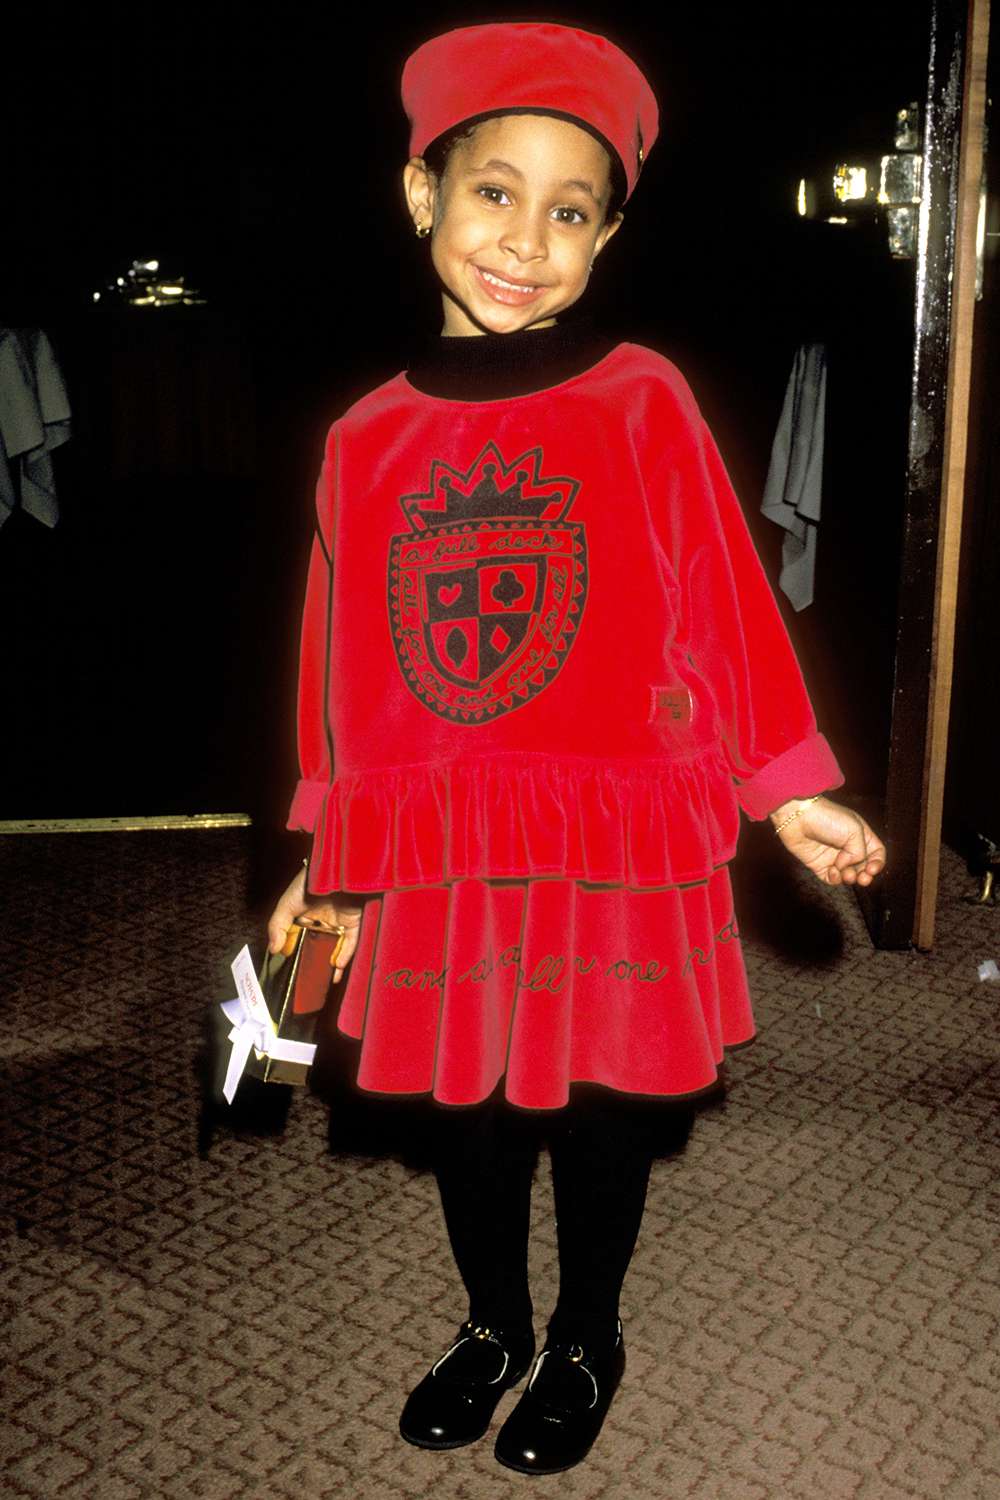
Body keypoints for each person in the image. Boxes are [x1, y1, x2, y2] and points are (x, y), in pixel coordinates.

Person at [266, 20, 886, 1476]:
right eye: (495, 192)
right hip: (436, 833)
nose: (526, 239)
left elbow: (725, 601)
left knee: (604, 1102)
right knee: (464, 1108)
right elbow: (336, 658)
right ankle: (493, 1322)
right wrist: (325, 852)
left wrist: (784, 787)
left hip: (616, 830)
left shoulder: (643, 396)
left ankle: (588, 1332)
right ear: (422, 194)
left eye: (570, 211)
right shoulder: (362, 436)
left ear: (610, 234)